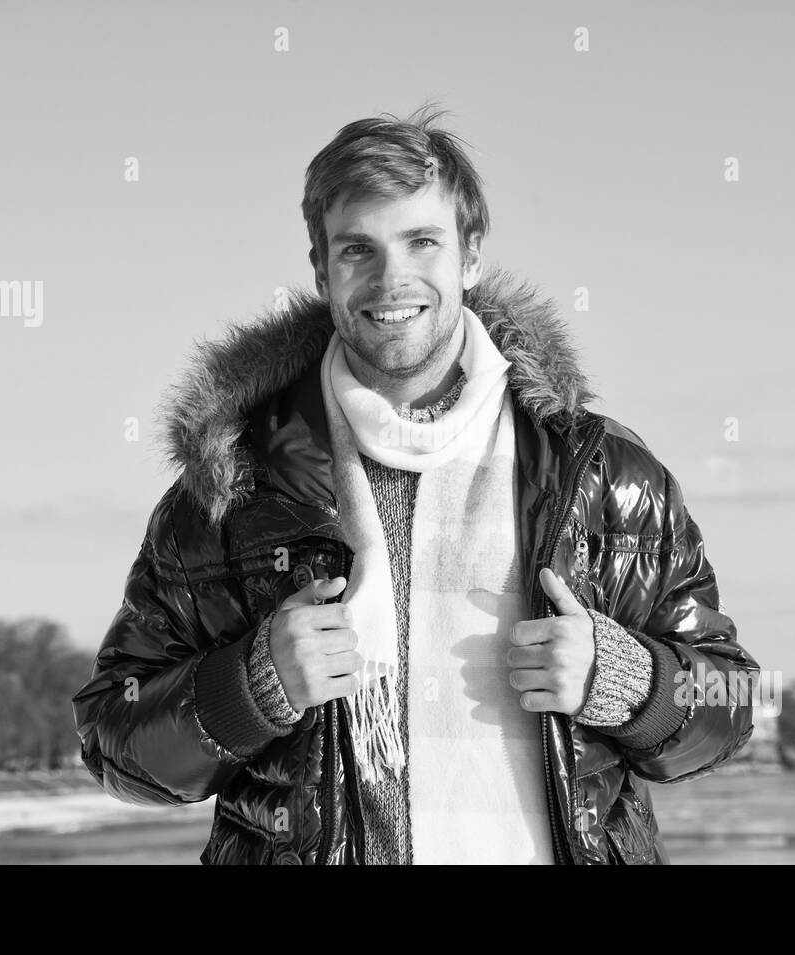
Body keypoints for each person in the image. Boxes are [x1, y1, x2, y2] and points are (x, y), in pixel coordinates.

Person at [72, 104, 760, 865]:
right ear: (321, 269)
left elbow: (730, 705)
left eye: (421, 241)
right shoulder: (230, 487)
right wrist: (250, 685)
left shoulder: (602, 473)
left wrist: (626, 680)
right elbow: (112, 740)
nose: (391, 278)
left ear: (469, 255)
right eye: (358, 249)